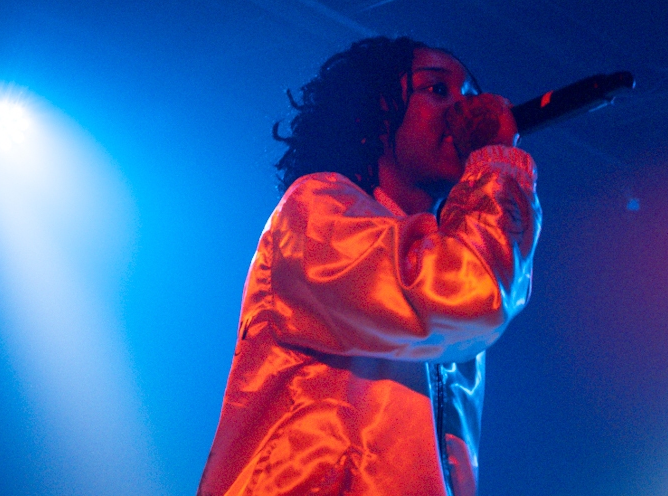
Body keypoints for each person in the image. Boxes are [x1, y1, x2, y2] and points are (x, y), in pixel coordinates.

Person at [197, 36, 541, 496]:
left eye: (471, 96)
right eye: (438, 90)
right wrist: (497, 164)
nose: (465, 111)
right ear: (370, 118)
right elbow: (471, 292)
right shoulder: (316, 211)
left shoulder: (441, 252)